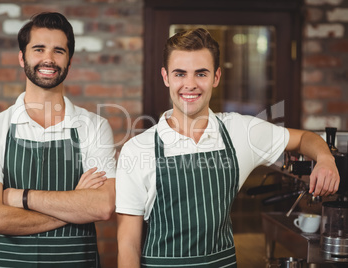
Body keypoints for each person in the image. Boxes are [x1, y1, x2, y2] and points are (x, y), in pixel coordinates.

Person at [115, 28, 340, 267]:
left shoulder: (239, 131)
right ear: (166, 77)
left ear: (216, 77)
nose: (190, 85)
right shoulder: (138, 149)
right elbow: (128, 243)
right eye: (180, 74)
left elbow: (305, 138)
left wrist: (326, 158)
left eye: (201, 74)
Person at [0, 12, 116, 267]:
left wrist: (20, 198)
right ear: (22, 57)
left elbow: (102, 206)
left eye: (58, 51)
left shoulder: (94, 127)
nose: (48, 58)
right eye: (39, 49)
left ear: (69, 62)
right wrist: (74, 206)